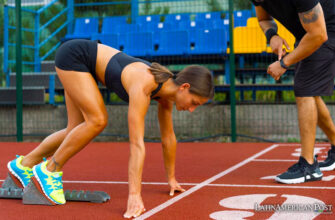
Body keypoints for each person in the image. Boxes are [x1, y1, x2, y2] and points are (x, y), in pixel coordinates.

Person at [6, 39, 214, 218]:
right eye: (194, 102)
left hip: (80, 61)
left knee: (75, 129)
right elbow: (136, 144)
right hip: (74, 57)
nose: (192, 109)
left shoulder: (166, 95)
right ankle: (49, 171)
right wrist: (134, 195)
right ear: (185, 87)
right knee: (97, 120)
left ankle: (24, 165)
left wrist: (171, 179)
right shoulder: (145, 85)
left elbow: (168, 139)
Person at [250, 0, 335, 184]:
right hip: (306, 33)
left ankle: (309, 166)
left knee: (305, 90)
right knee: (309, 90)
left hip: (326, 31)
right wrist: (272, 35)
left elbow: (319, 34)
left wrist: (284, 64)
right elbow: (263, 19)